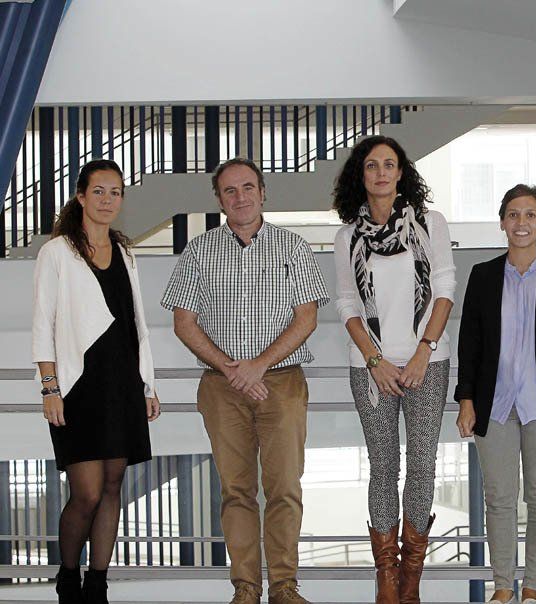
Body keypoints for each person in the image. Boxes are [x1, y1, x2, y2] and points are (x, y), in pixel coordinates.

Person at [162, 158, 330, 604]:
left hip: (282, 382)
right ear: (219, 200)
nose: (240, 197)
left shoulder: (293, 247)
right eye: (230, 191)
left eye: (248, 187)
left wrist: (258, 365)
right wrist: (234, 369)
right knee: (236, 491)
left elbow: (307, 318)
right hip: (222, 388)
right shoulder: (199, 251)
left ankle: (285, 587)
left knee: (284, 489)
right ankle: (246, 588)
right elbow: (184, 322)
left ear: (263, 192)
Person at [332, 135, 455, 604]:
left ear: (401, 172)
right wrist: (375, 360)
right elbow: (347, 304)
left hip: (429, 363)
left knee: (422, 465)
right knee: (383, 467)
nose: (381, 172)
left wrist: (424, 350)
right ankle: (386, 575)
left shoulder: (430, 224)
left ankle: (411, 579)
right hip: (372, 367)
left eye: (389, 164)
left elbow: (444, 289)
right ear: (360, 175)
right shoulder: (348, 237)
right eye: (371, 165)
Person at [32, 159, 160, 604]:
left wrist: (147, 385)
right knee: (85, 493)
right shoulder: (57, 252)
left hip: (123, 384)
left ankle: (97, 584)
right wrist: (50, 388)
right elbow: (43, 323)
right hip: (77, 387)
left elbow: (136, 323)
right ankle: (68, 576)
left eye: (116, 192)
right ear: (81, 196)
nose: (108, 200)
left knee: (112, 487)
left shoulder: (125, 252)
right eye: (99, 191)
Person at [455, 184, 536, 604]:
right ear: (502, 222)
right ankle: (502, 587)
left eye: (530, 214)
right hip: (493, 403)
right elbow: (469, 342)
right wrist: (465, 400)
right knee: (498, 499)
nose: (521, 223)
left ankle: (532, 588)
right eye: (513, 214)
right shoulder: (483, 275)